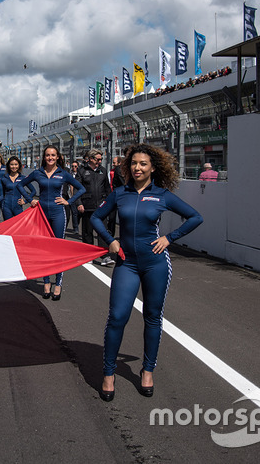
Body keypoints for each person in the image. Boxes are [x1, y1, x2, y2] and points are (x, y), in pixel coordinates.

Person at [90, 143, 203, 402]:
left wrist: (170, 238)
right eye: (133, 163)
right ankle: (109, 373)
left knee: (152, 316)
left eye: (143, 164)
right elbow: (96, 217)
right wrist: (110, 240)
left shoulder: (162, 195)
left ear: (153, 167)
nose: (137, 167)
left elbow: (195, 217)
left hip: (155, 263)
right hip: (126, 263)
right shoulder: (120, 193)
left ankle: (148, 369)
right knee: (117, 316)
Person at [19, 146, 85, 300]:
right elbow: (20, 185)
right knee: (43, 248)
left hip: (58, 213)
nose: (50, 158)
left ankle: (58, 283)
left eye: (53, 155)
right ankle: (46, 282)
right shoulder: (38, 173)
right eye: (48, 155)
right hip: (41, 213)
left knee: (58, 248)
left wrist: (69, 201)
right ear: (44, 157)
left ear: (57, 157)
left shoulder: (63, 174)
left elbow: (81, 189)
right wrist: (30, 200)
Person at [76, 149, 113, 266]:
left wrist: (109, 203)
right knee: (87, 232)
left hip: (101, 206)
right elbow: (77, 189)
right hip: (87, 206)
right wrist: (79, 203)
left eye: (101, 159)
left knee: (103, 231)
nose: (100, 161)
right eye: (98, 159)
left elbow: (107, 189)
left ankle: (105, 256)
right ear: (91, 159)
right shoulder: (82, 171)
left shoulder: (103, 170)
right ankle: (89, 256)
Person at [0, 156, 34, 220]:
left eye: (16, 164)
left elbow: (33, 191)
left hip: (18, 208)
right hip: (6, 207)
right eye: (12, 164)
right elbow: (2, 195)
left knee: (19, 228)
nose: (14, 167)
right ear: (8, 166)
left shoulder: (23, 178)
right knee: (8, 228)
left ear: (19, 165)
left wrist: (25, 201)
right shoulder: (4, 178)